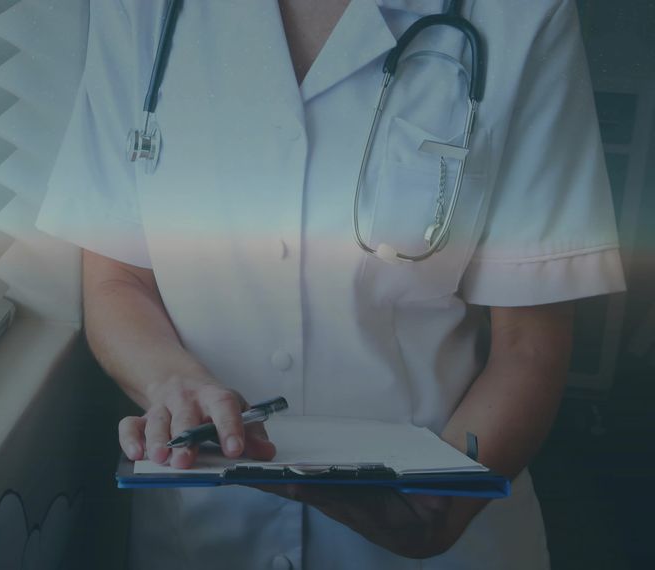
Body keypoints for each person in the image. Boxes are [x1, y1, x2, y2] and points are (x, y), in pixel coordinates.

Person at [36, 0, 626, 567]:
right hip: (204, 534)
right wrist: (174, 380)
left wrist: (443, 508)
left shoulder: (521, 14)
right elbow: (117, 278)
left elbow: (529, 346)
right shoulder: (141, 9)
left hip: (436, 531)